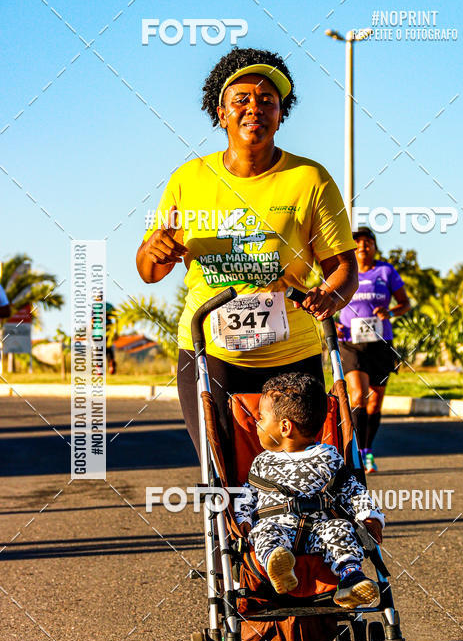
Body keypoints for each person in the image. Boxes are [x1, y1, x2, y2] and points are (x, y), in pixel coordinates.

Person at [136, 47, 358, 464]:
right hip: (210, 350)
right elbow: (149, 271)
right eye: (241, 99)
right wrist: (155, 249)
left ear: (280, 114)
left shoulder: (309, 178)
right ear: (221, 114)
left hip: (291, 351)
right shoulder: (189, 179)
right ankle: (233, 528)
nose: (254, 107)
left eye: (267, 100)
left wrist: (331, 295)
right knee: (222, 470)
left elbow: (345, 269)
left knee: (299, 471)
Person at [234, 373, 384, 610]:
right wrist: (242, 519)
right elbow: (248, 494)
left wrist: (369, 516)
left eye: (261, 418)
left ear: (284, 427)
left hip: (320, 531)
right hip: (278, 527)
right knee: (265, 532)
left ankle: (351, 578)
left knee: (340, 530)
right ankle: (279, 566)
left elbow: (352, 490)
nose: (257, 424)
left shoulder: (328, 457)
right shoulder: (261, 462)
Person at [336, 227, 410, 474]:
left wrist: (390, 312)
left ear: (375, 247)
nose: (363, 247)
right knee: (358, 395)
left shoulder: (386, 271)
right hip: (350, 342)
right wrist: (333, 323)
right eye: (357, 243)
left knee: (375, 403)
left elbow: (404, 303)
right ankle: (355, 451)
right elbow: (329, 299)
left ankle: (368, 450)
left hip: (380, 343)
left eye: (368, 243)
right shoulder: (343, 273)